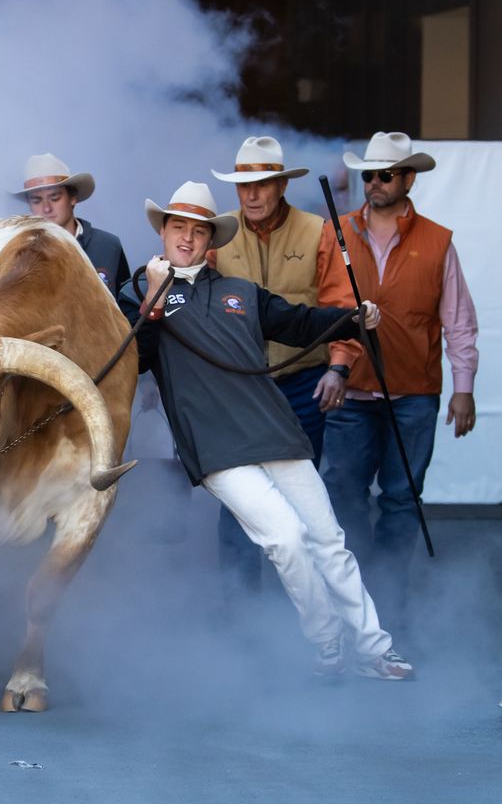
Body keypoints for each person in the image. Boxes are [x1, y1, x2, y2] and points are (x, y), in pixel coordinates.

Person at [119, 181, 413, 680]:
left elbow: (300, 323)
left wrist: (353, 320)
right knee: (286, 539)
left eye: (198, 230)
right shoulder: (136, 294)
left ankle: (372, 650)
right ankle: (327, 644)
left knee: (329, 541)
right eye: (178, 228)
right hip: (214, 447)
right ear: (162, 231)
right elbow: (136, 359)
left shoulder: (239, 291)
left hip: (275, 430)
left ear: (211, 238)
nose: (187, 239)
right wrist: (153, 293)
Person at [321, 132, 479, 636]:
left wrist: (464, 385)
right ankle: (356, 597)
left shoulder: (437, 241)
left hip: (414, 394)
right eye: (368, 174)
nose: (374, 183)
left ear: (409, 178)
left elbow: (459, 321)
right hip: (351, 392)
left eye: (385, 174)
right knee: (343, 494)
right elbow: (318, 309)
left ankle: (388, 602)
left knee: (401, 498)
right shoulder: (336, 232)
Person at [207, 136, 357, 602]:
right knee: (239, 502)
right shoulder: (218, 234)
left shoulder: (319, 230)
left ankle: (295, 605)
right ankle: (238, 610)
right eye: (243, 186)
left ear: (281, 186)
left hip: (304, 383)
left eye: (263, 184)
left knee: (301, 500)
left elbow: (341, 305)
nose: (252, 195)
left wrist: (339, 367)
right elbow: (197, 306)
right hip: (240, 386)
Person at [12, 153, 130, 297]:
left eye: (55, 198)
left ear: (73, 197)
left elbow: (126, 309)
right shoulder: (18, 254)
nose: (46, 208)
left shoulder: (108, 246)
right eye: (37, 200)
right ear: (29, 205)